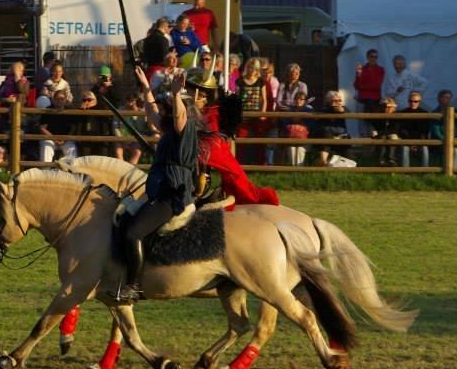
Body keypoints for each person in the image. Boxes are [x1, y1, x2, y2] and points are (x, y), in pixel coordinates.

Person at [118, 66, 198, 301]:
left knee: (133, 234)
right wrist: (146, 89)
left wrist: (175, 94)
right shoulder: (169, 132)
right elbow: (153, 115)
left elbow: (179, 117)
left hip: (171, 196)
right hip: (158, 193)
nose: (165, 110)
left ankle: (133, 286)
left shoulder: (184, 129)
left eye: (169, 107)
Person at [186, 67, 280, 206]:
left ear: (205, 97)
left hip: (210, 151)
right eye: (190, 91)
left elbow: (210, 139)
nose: (190, 95)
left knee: (236, 179)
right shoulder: (188, 108)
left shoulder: (212, 113)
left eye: (196, 94)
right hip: (194, 151)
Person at [430, 90, 457, 168]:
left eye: (449, 98)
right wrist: (447, 140)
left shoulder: (455, 111)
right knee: (456, 151)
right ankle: (452, 171)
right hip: (441, 141)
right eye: (445, 97)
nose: (447, 100)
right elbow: (435, 131)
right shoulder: (435, 113)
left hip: (454, 140)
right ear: (439, 99)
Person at [38, 90, 77, 162]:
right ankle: (45, 170)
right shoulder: (48, 110)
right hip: (50, 138)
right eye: (57, 99)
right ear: (54, 100)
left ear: (65, 99)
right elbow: (42, 128)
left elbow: (73, 127)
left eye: (62, 99)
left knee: (72, 149)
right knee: (46, 147)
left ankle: (71, 171)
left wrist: (65, 139)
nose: (59, 101)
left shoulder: (70, 110)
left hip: (65, 139)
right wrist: (54, 138)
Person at [353, 49, 384, 137]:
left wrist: (363, 87)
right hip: (362, 100)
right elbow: (356, 85)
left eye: (376, 57)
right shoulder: (362, 69)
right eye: (372, 56)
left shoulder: (380, 69)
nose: (374, 59)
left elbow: (376, 85)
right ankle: (364, 145)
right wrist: (359, 75)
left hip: (374, 101)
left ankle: (372, 147)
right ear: (367, 57)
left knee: (372, 124)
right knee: (361, 123)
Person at [315, 91, 350, 166]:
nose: (337, 102)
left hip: (341, 135)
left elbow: (347, 112)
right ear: (328, 101)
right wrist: (332, 108)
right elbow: (320, 116)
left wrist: (341, 110)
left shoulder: (343, 108)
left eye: (339, 100)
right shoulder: (324, 109)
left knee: (347, 153)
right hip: (326, 135)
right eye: (335, 100)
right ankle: (323, 162)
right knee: (325, 136)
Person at [397, 90, 431, 167]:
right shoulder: (402, 113)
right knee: (405, 148)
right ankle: (405, 172)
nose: (413, 103)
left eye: (415, 101)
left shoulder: (425, 114)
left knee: (425, 149)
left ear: (419, 102)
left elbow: (425, 131)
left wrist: (418, 144)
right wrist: (409, 143)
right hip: (406, 141)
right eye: (410, 101)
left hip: (420, 142)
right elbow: (401, 130)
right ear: (408, 101)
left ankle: (425, 171)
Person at [113, 93, 150, 165]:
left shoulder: (143, 113)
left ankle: (127, 172)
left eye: (133, 101)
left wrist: (135, 115)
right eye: (129, 100)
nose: (130, 103)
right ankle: (121, 169)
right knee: (118, 150)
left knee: (137, 152)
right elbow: (116, 128)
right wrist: (123, 140)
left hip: (136, 139)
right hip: (121, 138)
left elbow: (143, 130)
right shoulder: (119, 111)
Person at [282, 91, 314, 166]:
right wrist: (291, 122)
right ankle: (294, 171)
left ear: (305, 101)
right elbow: (284, 124)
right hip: (291, 137)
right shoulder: (290, 110)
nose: (298, 100)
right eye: (296, 99)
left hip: (305, 138)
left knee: (300, 149)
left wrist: (302, 121)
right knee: (291, 149)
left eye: (301, 99)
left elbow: (312, 125)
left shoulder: (309, 111)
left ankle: (299, 170)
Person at [373, 97, 401, 166]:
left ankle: (391, 160)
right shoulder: (379, 115)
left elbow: (394, 130)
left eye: (391, 107)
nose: (388, 109)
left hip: (391, 134)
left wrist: (379, 132)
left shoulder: (397, 115)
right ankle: (381, 160)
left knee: (393, 136)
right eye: (386, 107)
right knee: (383, 137)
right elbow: (375, 125)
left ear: (394, 108)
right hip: (383, 135)